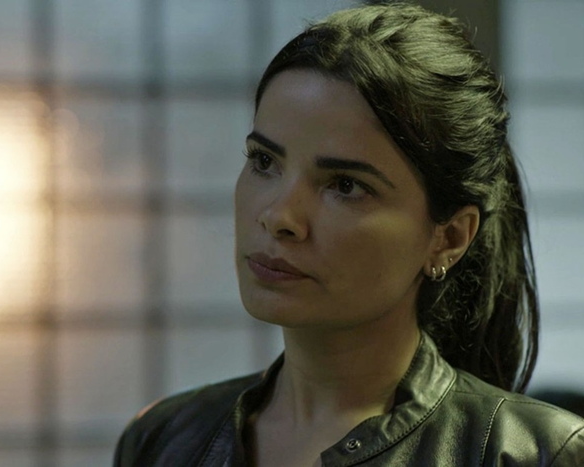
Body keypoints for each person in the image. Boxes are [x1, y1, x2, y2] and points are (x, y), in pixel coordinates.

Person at [114, 3, 584, 466]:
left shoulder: (530, 452)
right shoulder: (165, 441)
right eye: (264, 161)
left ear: (450, 238)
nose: (279, 216)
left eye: (345, 185)